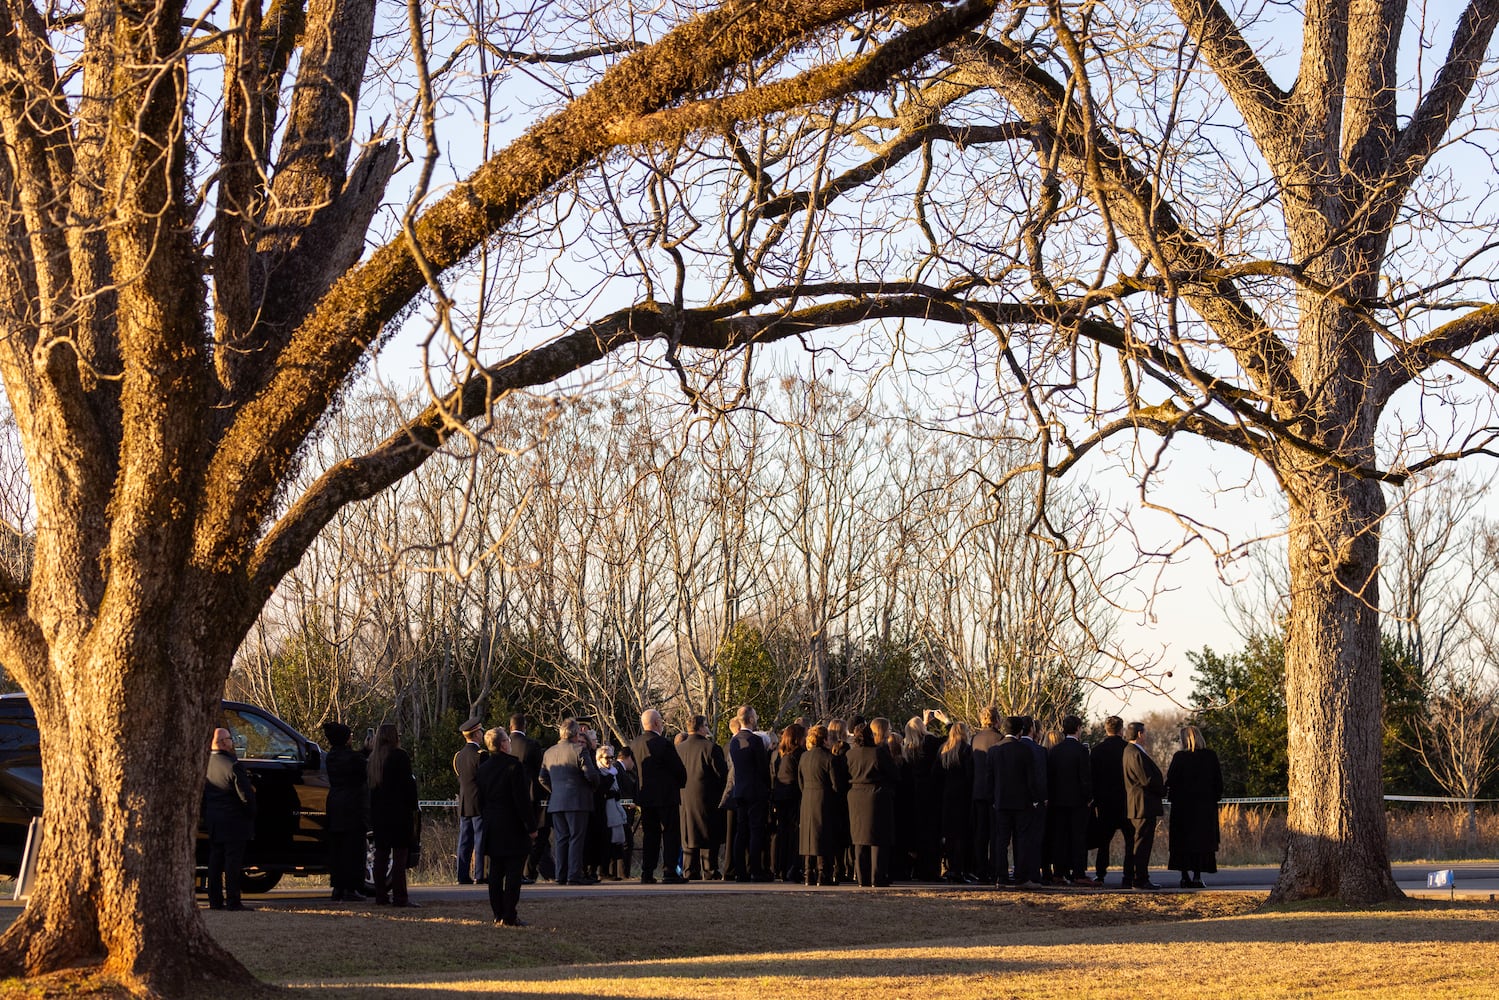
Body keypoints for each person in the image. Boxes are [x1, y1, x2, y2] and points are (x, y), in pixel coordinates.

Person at [476, 728, 538, 927]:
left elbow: (480, 800)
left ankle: (498, 913)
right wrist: (531, 826)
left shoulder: (483, 768)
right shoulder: (514, 766)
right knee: (513, 872)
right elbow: (521, 800)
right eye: (508, 741)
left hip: (492, 824)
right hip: (512, 825)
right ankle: (509, 914)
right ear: (503, 744)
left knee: (495, 871)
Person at [539, 717, 600, 886]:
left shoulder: (549, 752)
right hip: (578, 801)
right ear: (576, 733)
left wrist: (555, 790)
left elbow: (542, 777)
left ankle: (561, 874)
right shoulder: (579, 750)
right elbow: (591, 775)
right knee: (576, 838)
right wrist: (591, 788)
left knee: (561, 839)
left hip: (557, 802)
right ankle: (573, 875)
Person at [630, 708, 688, 884]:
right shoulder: (663, 744)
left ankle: (647, 872)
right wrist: (680, 783)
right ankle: (670, 870)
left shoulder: (634, 745)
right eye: (661, 721)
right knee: (670, 833)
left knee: (650, 834)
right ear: (656, 723)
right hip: (666, 796)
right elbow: (678, 769)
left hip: (646, 797)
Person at [203, 727, 257, 911]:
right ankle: (233, 900)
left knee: (215, 861)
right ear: (223, 742)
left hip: (214, 819)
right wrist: (251, 812)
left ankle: (215, 900)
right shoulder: (233, 765)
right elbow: (245, 795)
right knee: (233, 862)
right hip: (234, 820)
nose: (232, 742)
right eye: (230, 739)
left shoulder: (206, 764)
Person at [368, 722, 421, 907]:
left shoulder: (374, 759)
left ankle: (380, 896)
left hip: (380, 814)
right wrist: (413, 807)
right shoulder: (400, 756)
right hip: (399, 813)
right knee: (400, 857)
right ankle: (400, 897)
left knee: (380, 857)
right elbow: (408, 786)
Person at [1166, 724, 1223, 888]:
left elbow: (1171, 780)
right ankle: (1197, 876)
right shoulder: (1210, 756)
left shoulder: (1179, 757)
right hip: (1204, 809)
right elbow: (1218, 783)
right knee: (1201, 843)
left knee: (1182, 843)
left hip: (1182, 809)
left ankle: (1184, 876)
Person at [846, 719, 898, 887]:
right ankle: (878, 877)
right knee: (878, 838)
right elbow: (894, 774)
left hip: (855, 795)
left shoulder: (850, 754)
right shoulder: (878, 753)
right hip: (876, 795)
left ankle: (862, 878)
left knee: (859, 838)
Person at [990, 715, 1039, 888]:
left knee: (1001, 841)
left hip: (1001, 801)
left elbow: (990, 778)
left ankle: (1001, 877)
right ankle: (1021, 877)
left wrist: (993, 798)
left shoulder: (994, 750)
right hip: (1022, 802)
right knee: (1022, 840)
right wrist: (1034, 799)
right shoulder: (1025, 750)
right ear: (1020, 731)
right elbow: (1031, 779)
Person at [797, 724, 848, 885]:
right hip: (824, 799)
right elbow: (836, 785)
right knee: (823, 836)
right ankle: (823, 874)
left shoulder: (804, 757)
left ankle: (808, 874)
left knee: (808, 836)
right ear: (825, 739)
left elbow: (800, 781)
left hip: (807, 798)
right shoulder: (829, 758)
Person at [322, 721, 368, 902]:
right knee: (354, 849)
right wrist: (367, 751)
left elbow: (353, 759)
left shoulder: (331, 757)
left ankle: (338, 887)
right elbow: (362, 769)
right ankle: (351, 887)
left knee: (337, 849)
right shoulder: (354, 759)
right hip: (352, 807)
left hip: (334, 805)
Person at [678, 714, 727, 880]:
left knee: (688, 834)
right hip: (707, 798)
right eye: (705, 725)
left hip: (684, 798)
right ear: (700, 728)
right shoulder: (711, 748)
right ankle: (710, 869)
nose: (707, 728)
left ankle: (690, 869)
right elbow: (722, 775)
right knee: (708, 834)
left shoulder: (678, 749)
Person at [727, 705, 772, 881]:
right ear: (751, 719)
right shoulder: (755, 741)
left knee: (741, 830)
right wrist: (767, 787)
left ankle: (740, 870)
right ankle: (755, 869)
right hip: (755, 790)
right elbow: (762, 768)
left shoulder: (734, 741)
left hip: (740, 790)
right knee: (756, 830)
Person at [1047, 715, 1093, 886]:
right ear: (1078, 728)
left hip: (1058, 801)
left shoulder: (1055, 751)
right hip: (1077, 802)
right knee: (1078, 838)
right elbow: (1084, 777)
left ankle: (1058, 872)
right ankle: (1078, 872)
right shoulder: (1081, 751)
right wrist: (1088, 797)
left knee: (1060, 837)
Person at [1122, 720, 1166, 890]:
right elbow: (1146, 779)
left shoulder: (1129, 752)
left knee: (1138, 842)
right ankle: (1140, 878)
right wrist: (1162, 789)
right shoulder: (1135, 753)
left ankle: (1137, 876)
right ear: (1140, 734)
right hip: (1143, 805)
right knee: (1142, 843)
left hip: (1137, 804)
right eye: (1145, 733)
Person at [507, 713, 551, 882]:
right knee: (534, 835)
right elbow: (539, 770)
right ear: (524, 726)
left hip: (509, 796)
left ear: (511, 727)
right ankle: (527, 871)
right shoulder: (532, 745)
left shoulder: (505, 744)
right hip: (530, 795)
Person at [1090, 715, 1131, 885]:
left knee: (1103, 841)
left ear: (1106, 729)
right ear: (1122, 730)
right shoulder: (1128, 749)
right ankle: (1128, 875)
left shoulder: (1097, 750)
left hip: (1105, 803)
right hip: (1126, 802)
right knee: (1131, 841)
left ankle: (1100, 874)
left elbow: (1092, 777)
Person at [937, 720, 973, 883]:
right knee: (961, 835)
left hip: (946, 796)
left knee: (950, 835)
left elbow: (935, 774)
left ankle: (950, 867)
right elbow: (970, 775)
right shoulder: (966, 749)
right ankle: (958, 870)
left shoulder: (944, 750)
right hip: (962, 797)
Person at [970, 706, 1003, 881]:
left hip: (978, 791)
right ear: (997, 719)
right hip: (995, 792)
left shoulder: (975, 738)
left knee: (981, 834)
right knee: (996, 834)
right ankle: (995, 869)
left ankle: (981, 870)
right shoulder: (1000, 738)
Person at [770, 723, 806, 882]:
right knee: (793, 834)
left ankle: (780, 867)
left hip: (780, 797)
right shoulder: (799, 755)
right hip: (793, 798)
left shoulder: (780, 755)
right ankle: (792, 867)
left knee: (782, 833)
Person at [454, 716, 487, 885]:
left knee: (464, 840)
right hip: (479, 802)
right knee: (480, 839)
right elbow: (484, 780)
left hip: (464, 802)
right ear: (476, 734)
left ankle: (462, 875)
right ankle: (480, 874)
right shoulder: (481, 756)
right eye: (480, 732)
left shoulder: (458, 756)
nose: (482, 734)